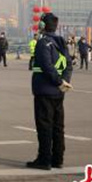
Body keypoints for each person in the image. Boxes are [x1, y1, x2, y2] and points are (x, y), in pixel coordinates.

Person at [27, 13, 72, 170]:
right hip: (59, 92)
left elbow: (46, 66)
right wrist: (64, 82)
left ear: (42, 26)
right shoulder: (61, 43)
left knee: (44, 125)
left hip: (44, 90)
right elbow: (68, 65)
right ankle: (57, 158)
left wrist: (58, 81)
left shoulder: (42, 43)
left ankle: (44, 159)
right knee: (58, 126)